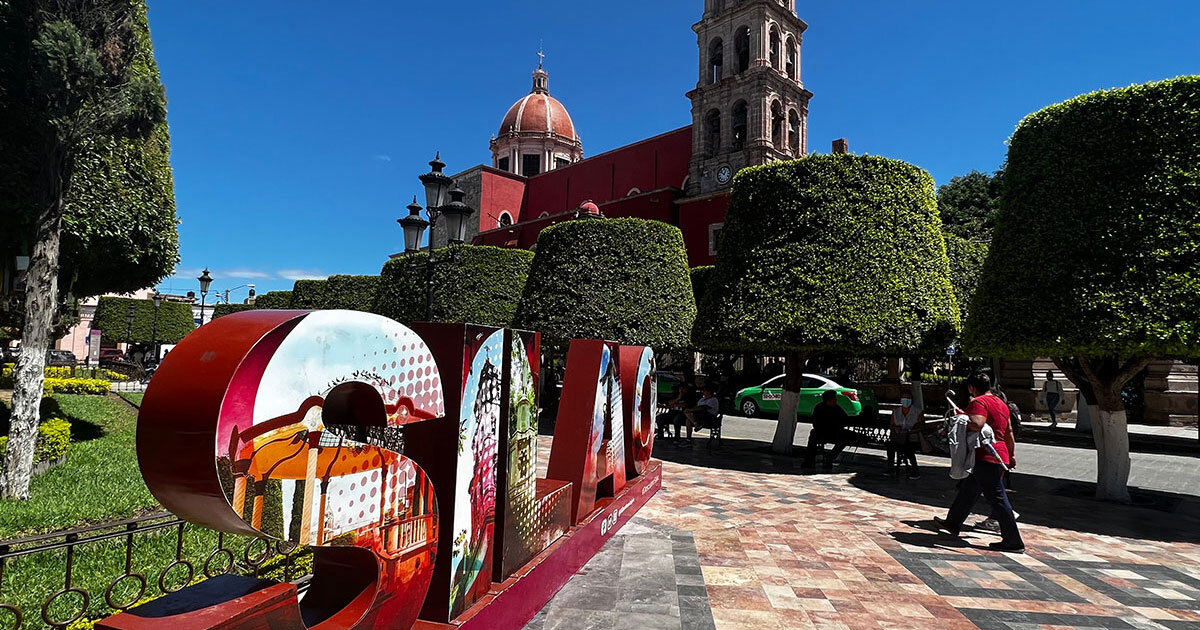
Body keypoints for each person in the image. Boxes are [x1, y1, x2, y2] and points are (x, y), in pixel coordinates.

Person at [935, 371, 1024, 553]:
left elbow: (977, 423)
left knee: (997, 497)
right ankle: (953, 522)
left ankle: (1014, 541)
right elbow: (1009, 433)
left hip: (986, 454)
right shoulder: (1001, 403)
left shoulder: (978, 402)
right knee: (969, 489)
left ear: (971, 388)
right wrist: (1011, 455)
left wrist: (961, 418)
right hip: (999, 453)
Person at [803, 390, 855, 470]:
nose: (835, 400)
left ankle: (829, 458)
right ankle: (809, 460)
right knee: (813, 434)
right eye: (833, 399)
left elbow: (845, 419)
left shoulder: (837, 408)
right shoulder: (819, 408)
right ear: (828, 399)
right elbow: (816, 423)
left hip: (834, 433)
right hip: (822, 432)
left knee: (845, 440)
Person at [887, 389, 923, 479]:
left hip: (912, 438)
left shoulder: (917, 412)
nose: (905, 400)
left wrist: (909, 431)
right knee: (890, 446)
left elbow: (921, 427)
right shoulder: (896, 412)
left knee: (909, 448)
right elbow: (891, 425)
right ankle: (890, 468)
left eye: (908, 398)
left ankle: (915, 470)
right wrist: (896, 428)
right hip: (899, 438)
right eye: (904, 398)